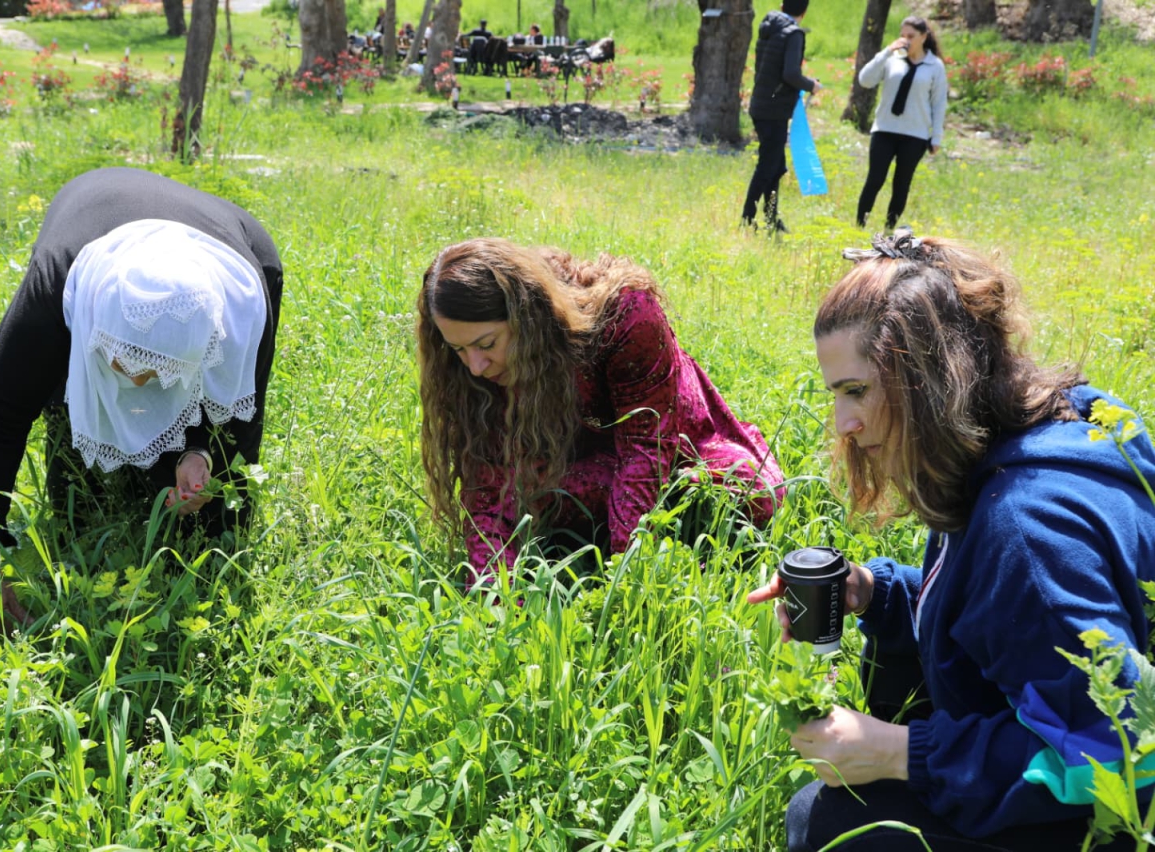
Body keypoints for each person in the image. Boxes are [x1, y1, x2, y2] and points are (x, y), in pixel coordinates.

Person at [748, 230, 1155, 851]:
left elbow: (1123, 757)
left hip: (1115, 818)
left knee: (827, 823)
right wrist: (875, 592)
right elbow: (999, 615)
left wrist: (900, 753)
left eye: (856, 391)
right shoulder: (1066, 417)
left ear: (928, 378)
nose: (845, 425)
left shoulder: (1023, 532)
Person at [0, 167, 284, 623]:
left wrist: (204, 457)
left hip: (228, 238)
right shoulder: (57, 287)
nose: (139, 381)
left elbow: (240, 415)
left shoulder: (246, 302)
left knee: (214, 521)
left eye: (161, 371)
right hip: (92, 203)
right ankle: (81, 497)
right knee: (62, 406)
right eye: (126, 362)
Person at [417, 238, 785, 590]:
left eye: (487, 344)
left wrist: (626, 577)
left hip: (680, 444)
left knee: (753, 496)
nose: (476, 367)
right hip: (577, 459)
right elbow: (486, 488)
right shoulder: (472, 372)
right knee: (530, 495)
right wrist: (493, 595)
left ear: (526, 317)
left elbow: (646, 448)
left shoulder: (626, 315)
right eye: (459, 350)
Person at [854, 16, 948, 229]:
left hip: (915, 134)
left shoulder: (935, 66)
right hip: (885, 129)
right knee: (875, 179)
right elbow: (865, 80)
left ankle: (890, 230)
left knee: (901, 184)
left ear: (923, 37)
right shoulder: (891, 59)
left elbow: (939, 102)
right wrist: (887, 51)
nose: (906, 40)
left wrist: (936, 136)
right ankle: (860, 225)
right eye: (903, 35)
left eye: (911, 36)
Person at [741, 0, 821, 235]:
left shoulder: (770, 25)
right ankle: (747, 217)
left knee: (776, 165)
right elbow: (790, 74)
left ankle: (771, 217)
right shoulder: (793, 33)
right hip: (774, 109)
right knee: (768, 165)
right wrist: (811, 85)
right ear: (804, 11)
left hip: (761, 103)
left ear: (782, 5)